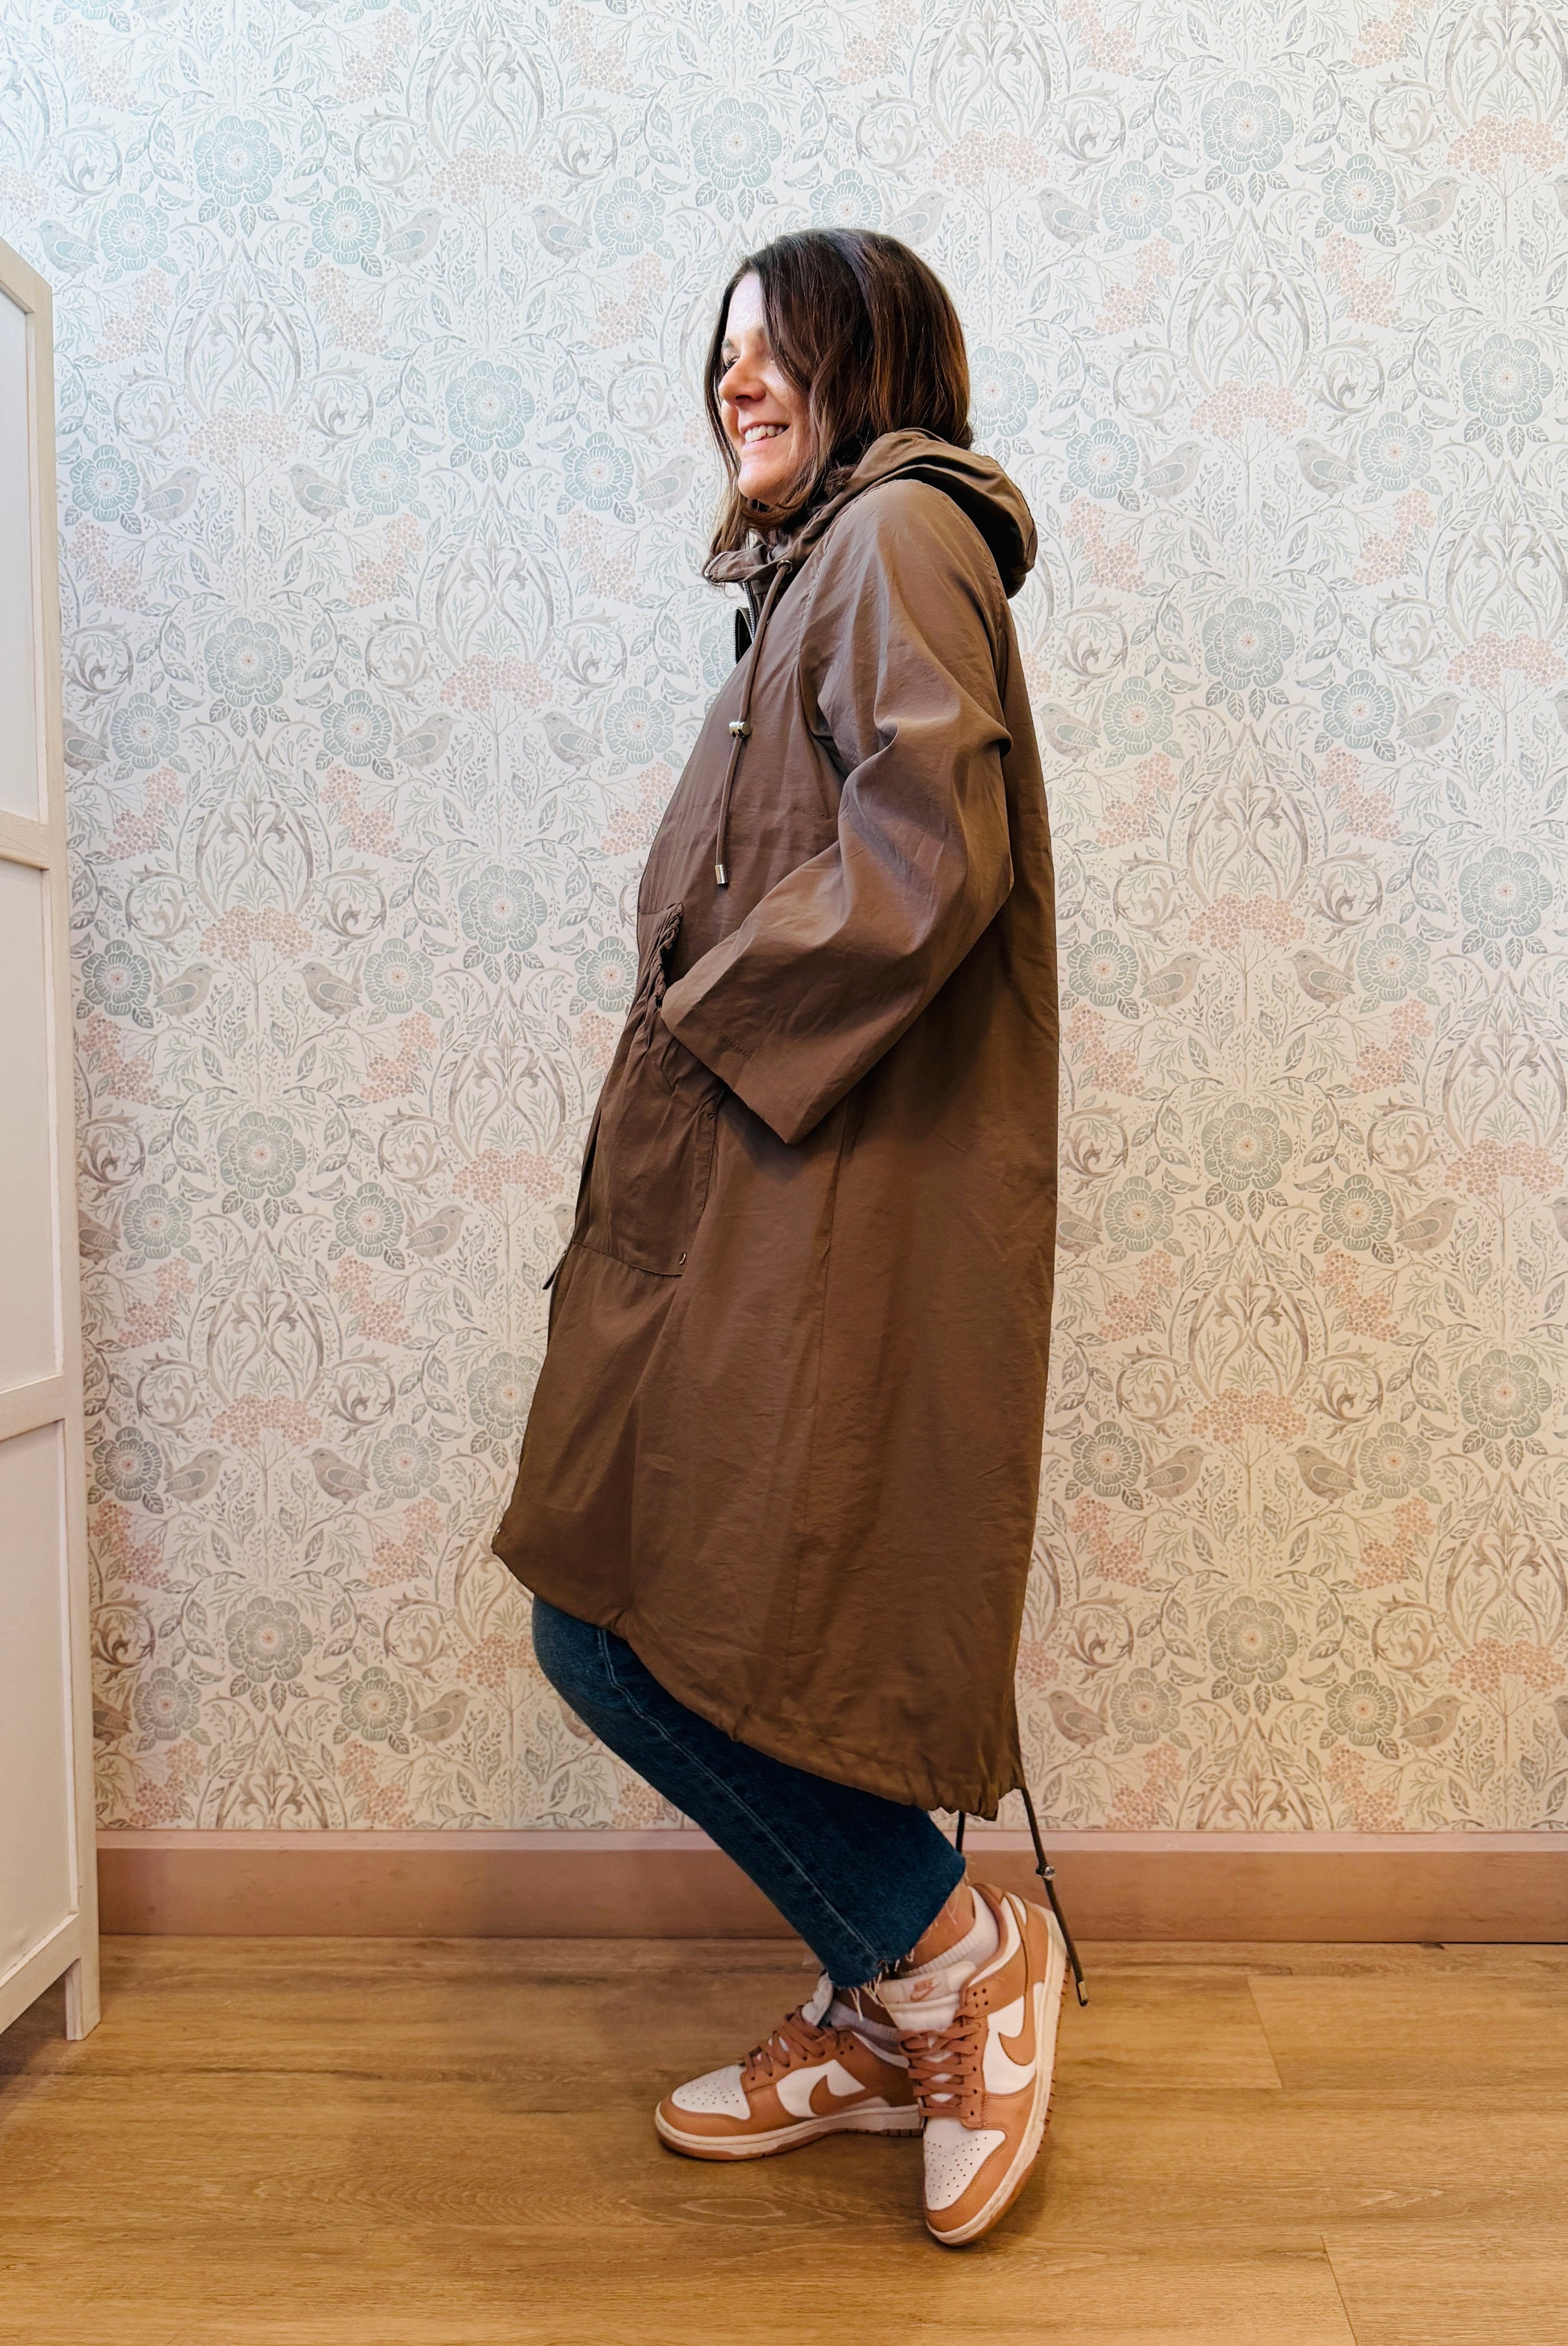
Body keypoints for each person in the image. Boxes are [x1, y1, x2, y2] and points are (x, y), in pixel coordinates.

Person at [495, 228, 1066, 2248]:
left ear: (873, 355)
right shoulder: (822, 569)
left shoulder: (897, 536)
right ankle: (885, 1992)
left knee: (633, 1624)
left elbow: (928, 859)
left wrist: (704, 1021)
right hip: (756, 1190)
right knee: (672, 1611)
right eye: (720, 351)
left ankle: (950, 1958)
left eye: (777, 344)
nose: (734, 380)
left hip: (817, 1203)